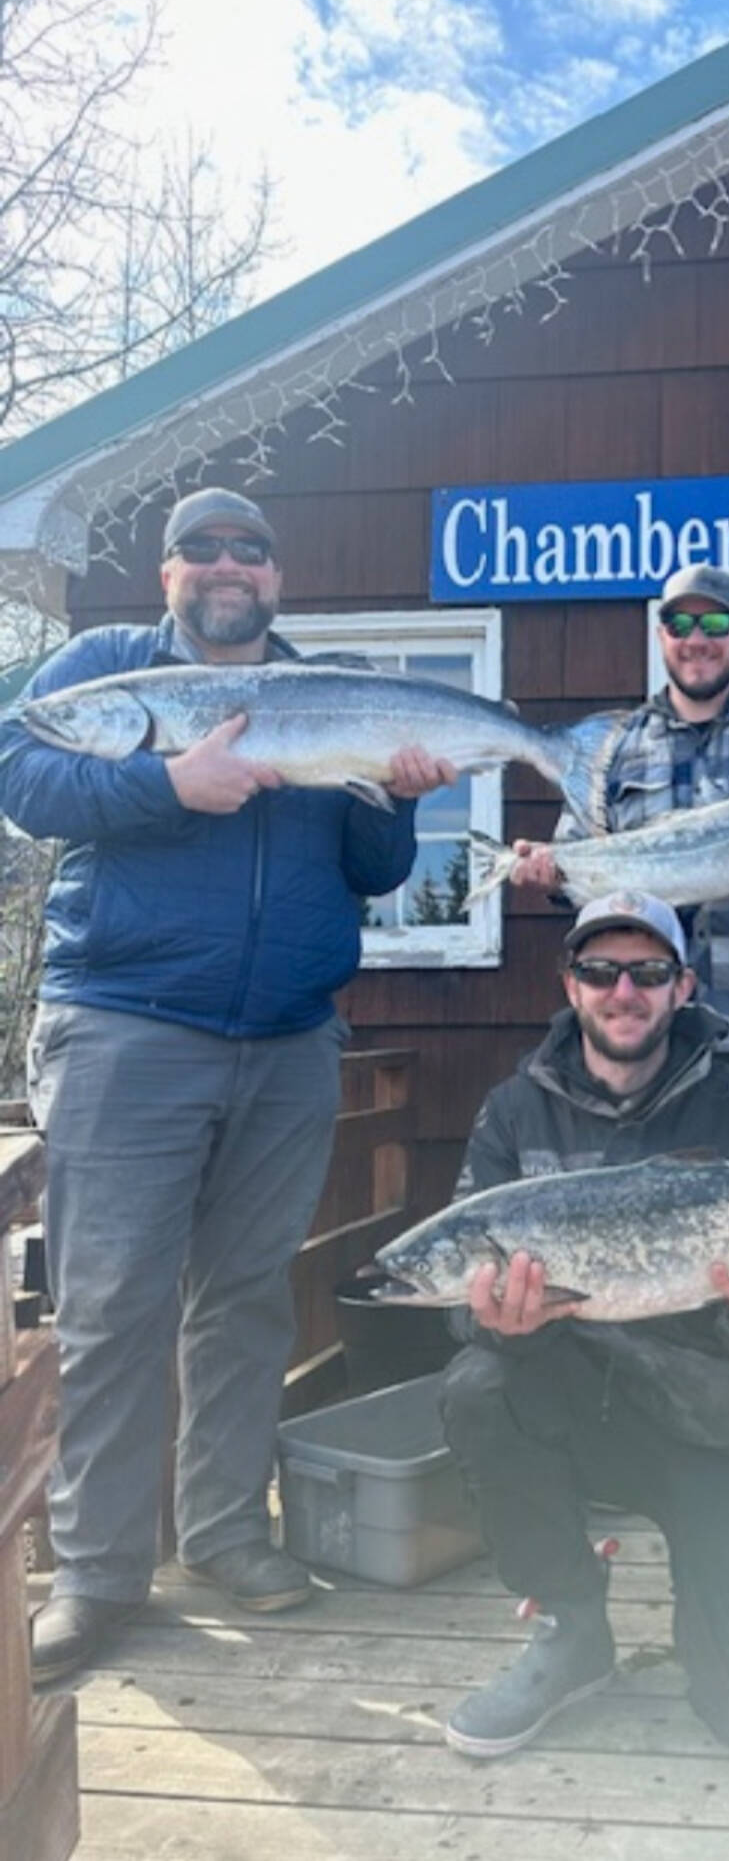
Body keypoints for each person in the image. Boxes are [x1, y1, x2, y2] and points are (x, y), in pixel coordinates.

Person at [0, 486, 455, 1684]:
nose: (224, 567)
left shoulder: (324, 694)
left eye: (247, 550)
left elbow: (372, 865)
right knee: (111, 1308)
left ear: (276, 576)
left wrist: (399, 796)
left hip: (290, 1040)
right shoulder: (107, 672)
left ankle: (222, 1534)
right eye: (199, 550)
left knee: (248, 1298)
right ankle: (97, 1575)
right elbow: (24, 777)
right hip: (125, 1029)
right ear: (166, 576)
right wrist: (168, 786)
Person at [438, 888, 729, 1763]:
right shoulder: (513, 1113)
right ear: (569, 984)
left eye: (649, 972)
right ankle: (573, 1625)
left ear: (683, 987)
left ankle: (719, 1599)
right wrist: (505, 1326)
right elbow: (469, 1316)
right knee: (480, 1385)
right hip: (578, 1410)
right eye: (601, 971)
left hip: (721, 1422)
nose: (625, 991)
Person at [505, 562, 729, 1516]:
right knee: (651, 1257)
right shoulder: (614, 748)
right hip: (649, 1052)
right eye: (680, 622)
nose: (698, 638)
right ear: (659, 632)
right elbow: (584, 870)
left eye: (716, 622)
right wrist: (546, 868)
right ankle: (644, 1448)